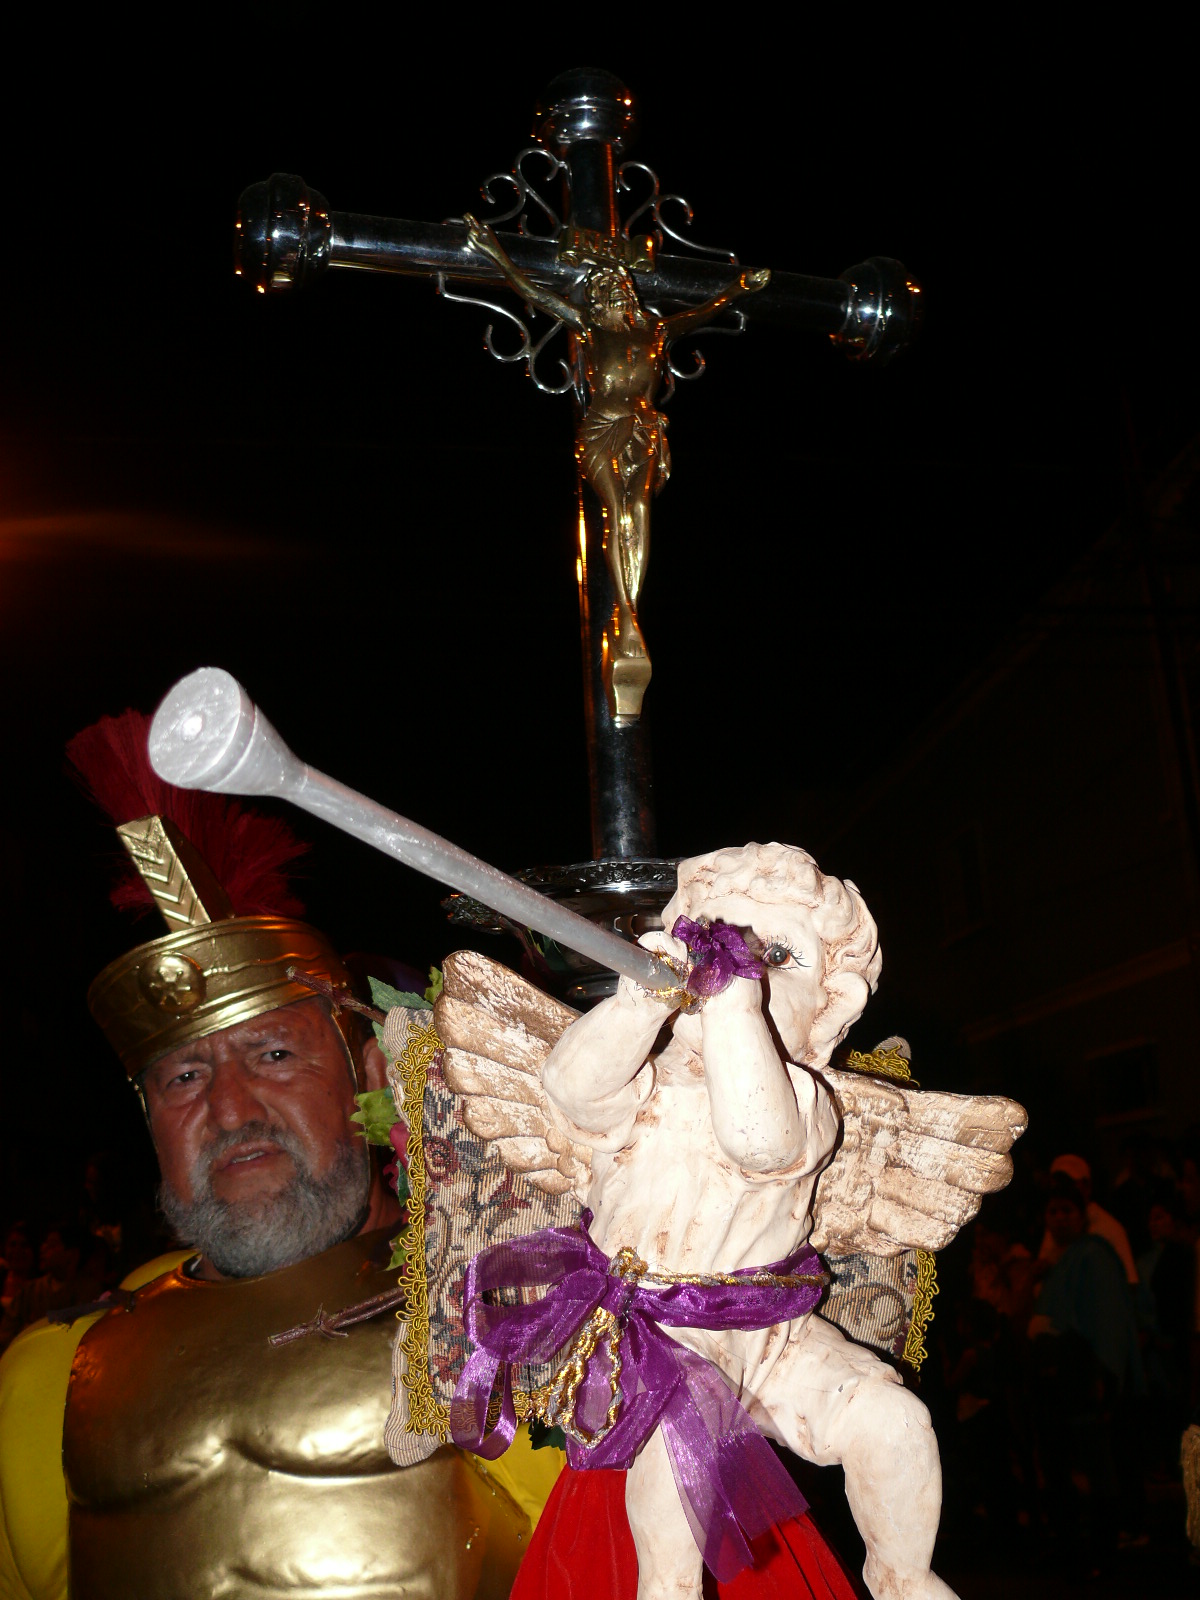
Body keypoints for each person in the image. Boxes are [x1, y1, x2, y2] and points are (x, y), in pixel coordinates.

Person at [0, 710, 553, 1600]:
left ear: (370, 1075)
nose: (229, 1109)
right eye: (184, 1076)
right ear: (149, 1121)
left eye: (274, 1054)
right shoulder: (51, 1373)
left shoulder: (515, 1321)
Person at [464, 213, 768, 717]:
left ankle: (630, 619)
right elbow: (537, 294)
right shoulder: (589, 327)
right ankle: (626, 616)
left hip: (644, 426)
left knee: (640, 511)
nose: (617, 292)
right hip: (603, 426)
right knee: (617, 512)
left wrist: (738, 288)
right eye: (608, 288)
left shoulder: (654, 329)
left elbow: (703, 311)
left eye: (621, 287)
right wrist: (495, 251)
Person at [1037, 1153, 1138, 1284]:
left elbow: (1130, 1281)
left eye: (1069, 1183)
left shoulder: (1108, 1229)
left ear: (1087, 1187)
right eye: (1058, 1184)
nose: (1060, 1217)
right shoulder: (1055, 1224)